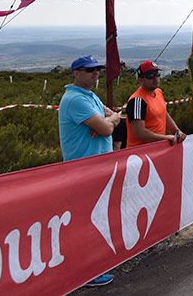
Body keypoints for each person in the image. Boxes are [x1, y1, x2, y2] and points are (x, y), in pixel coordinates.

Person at [58, 56, 122, 288]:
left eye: (97, 70)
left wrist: (108, 122)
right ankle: (85, 273)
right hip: (82, 170)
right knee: (85, 221)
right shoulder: (75, 99)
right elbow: (107, 125)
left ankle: (92, 266)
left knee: (94, 218)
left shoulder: (90, 96)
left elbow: (113, 116)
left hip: (96, 169)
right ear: (75, 73)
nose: (96, 74)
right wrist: (107, 124)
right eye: (89, 70)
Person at [125, 61, 186, 148]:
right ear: (140, 80)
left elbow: (163, 113)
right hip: (141, 153)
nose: (155, 78)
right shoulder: (137, 100)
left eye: (157, 74)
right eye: (150, 75)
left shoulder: (159, 92)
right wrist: (165, 138)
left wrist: (177, 131)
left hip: (158, 149)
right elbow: (140, 133)